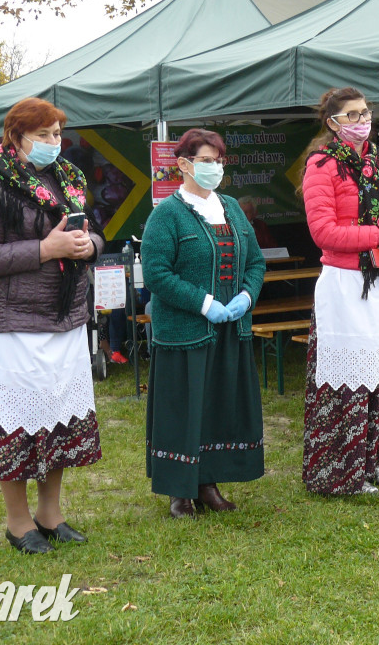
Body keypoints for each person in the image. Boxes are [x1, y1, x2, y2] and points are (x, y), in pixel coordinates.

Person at [0, 97, 103, 554]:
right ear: (16, 135)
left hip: (64, 319)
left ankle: (50, 514)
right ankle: (18, 522)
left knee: (59, 418)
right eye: (43, 135)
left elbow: (91, 231)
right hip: (12, 326)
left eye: (58, 134)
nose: (53, 143)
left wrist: (89, 247)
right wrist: (46, 249)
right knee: (15, 427)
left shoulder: (68, 179)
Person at [141, 128, 266, 518]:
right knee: (184, 408)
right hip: (185, 331)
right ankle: (180, 491)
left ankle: (208, 483)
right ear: (184, 164)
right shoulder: (166, 215)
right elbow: (157, 273)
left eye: (219, 160)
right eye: (207, 160)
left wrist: (247, 295)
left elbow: (255, 261)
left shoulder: (230, 207)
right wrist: (205, 303)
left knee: (216, 406)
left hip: (230, 329)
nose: (215, 167)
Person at [300, 87, 379, 495]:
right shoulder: (322, 165)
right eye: (352, 114)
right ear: (333, 122)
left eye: (365, 112)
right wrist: (378, 236)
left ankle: (374, 463)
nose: (362, 120)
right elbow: (323, 231)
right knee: (346, 378)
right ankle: (339, 472)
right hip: (345, 284)